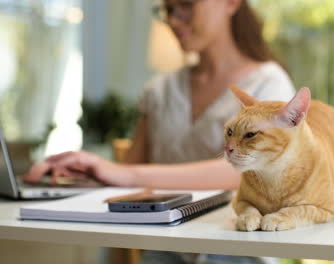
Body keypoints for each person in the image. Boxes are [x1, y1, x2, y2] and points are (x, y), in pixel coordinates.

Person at [25, 0, 295, 263]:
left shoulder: (269, 84)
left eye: (187, 5)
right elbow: (129, 170)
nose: (175, 20)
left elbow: (245, 172)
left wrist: (126, 174)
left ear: (231, 3)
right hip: (166, 247)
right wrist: (83, 173)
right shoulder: (159, 90)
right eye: (168, 10)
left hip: (237, 249)